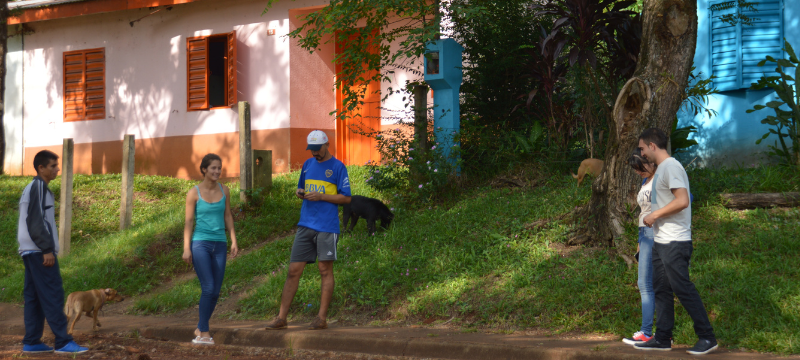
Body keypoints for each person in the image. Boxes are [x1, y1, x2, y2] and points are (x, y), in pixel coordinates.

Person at [634, 128, 717, 355]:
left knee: (682, 287)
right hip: (661, 240)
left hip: (675, 240)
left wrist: (654, 215)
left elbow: (682, 200)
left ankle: (707, 337)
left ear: (652, 146)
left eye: (642, 148)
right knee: (661, 288)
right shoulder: (661, 170)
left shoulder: (671, 166)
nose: (641, 153)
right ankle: (662, 338)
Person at [264, 130, 351, 331]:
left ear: (327, 144)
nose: (314, 153)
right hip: (306, 225)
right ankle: (281, 318)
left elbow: (346, 198)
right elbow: (301, 187)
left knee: (324, 270)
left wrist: (321, 197)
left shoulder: (338, 167)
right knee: (294, 270)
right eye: (311, 149)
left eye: (317, 149)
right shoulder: (307, 165)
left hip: (327, 227)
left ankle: (321, 318)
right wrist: (299, 192)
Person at [17, 150, 88, 354]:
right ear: (41, 168)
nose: (57, 169)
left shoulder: (34, 188)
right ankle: (63, 342)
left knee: (34, 297)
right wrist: (46, 249)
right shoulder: (38, 186)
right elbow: (36, 220)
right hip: (39, 251)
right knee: (53, 294)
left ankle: (32, 341)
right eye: (53, 166)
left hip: (30, 250)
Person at [183, 153, 239, 345]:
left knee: (215, 290)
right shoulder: (193, 193)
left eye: (219, 168)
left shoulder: (225, 190)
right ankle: (204, 333)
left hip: (220, 244)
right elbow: (189, 222)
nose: (217, 171)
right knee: (207, 287)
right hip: (200, 244)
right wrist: (186, 248)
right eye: (213, 168)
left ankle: (200, 327)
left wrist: (233, 240)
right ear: (204, 169)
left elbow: (228, 216)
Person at [622, 149, 656, 346]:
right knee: (645, 283)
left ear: (650, 161)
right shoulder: (645, 181)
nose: (638, 172)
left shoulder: (662, 176)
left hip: (655, 234)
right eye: (635, 170)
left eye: (640, 168)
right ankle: (648, 332)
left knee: (647, 284)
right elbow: (643, 212)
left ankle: (647, 332)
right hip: (644, 234)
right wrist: (638, 243)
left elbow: (686, 198)